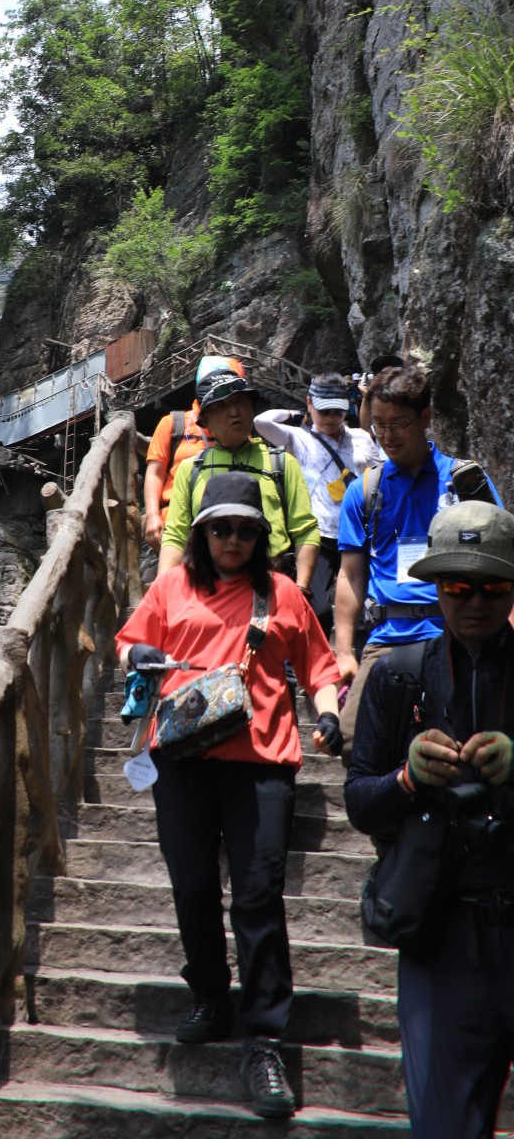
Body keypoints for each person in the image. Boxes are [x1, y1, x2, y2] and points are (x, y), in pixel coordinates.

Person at [118, 471, 343, 1118]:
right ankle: (211, 995)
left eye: (246, 530)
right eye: (222, 528)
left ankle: (265, 1036)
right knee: (192, 885)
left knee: (258, 893)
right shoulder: (172, 586)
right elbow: (129, 643)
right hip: (181, 758)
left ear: (260, 536)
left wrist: (329, 713)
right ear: (203, 532)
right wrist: (139, 657)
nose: (234, 540)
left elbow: (320, 666)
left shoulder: (283, 594)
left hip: (262, 763)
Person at [345, 501, 514, 1138]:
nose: (475, 601)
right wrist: (408, 779)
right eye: (458, 586)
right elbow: (360, 801)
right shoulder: (397, 678)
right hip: (442, 931)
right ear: (436, 588)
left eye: (492, 586)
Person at [334, 364, 502, 755]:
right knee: (354, 743)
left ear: (425, 418)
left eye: (398, 424)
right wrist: (343, 651)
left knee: (459, 747)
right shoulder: (365, 491)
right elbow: (350, 576)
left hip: (458, 636)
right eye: (378, 425)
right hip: (387, 639)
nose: (387, 435)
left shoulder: (466, 483)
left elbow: (500, 560)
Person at [157, 365, 322, 591]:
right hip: (209, 590)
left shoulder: (282, 464)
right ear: (204, 420)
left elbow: (305, 529)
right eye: (221, 406)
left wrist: (301, 588)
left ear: (252, 407)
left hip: (271, 587)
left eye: (240, 401)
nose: (234, 412)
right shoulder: (191, 469)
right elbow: (176, 536)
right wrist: (162, 594)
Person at [256, 374, 382, 632]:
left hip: (356, 531)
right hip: (318, 533)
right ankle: (316, 653)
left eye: (338, 411)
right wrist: (293, 413)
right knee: (319, 608)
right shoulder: (296, 438)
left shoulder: (360, 438)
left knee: (363, 605)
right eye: (324, 410)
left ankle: (357, 652)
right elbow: (261, 421)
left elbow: (379, 476)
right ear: (309, 403)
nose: (331, 417)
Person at [142, 356, 246, 587]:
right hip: (177, 522)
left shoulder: (239, 428)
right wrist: (152, 516)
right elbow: (155, 473)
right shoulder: (173, 424)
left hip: (226, 525)